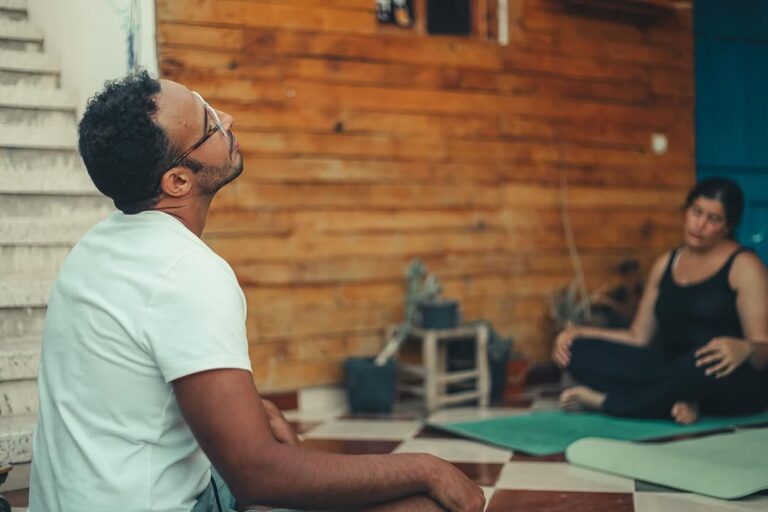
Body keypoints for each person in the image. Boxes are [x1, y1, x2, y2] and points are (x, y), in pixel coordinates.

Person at [28, 70, 485, 512]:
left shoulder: (94, 249)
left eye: (208, 105)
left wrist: (255, 413)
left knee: (264, 425)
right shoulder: (186, 272)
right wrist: (425, 467)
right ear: (178, 181)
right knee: (426, 504)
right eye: (210, 124)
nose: (227, 118)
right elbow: (256, 473)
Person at [552, 178, 768, 424]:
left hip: (722, 375)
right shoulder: (666, 263)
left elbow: (764, 350)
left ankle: (606, 402)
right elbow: (638, 336)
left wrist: (745, 348)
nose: (700, 225)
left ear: (728, 226)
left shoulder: (745, 266)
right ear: (686, 211)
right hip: (671, 369)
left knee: (694, 367)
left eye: (713, 219)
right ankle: (678, 400)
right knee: (578, 352)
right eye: (696, 212)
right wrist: (578, 333)